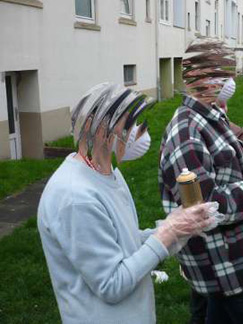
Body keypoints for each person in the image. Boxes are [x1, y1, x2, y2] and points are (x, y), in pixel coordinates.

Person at [38, 83, 220, 324]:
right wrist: (167, 233)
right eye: (127, 123)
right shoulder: (75, 198)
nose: (135, 132)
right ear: (97, 127)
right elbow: (111, 285)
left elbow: (124, 244)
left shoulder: (107, 174)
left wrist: (181, 229)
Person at [159, 38, 243, 324]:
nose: (232, 81)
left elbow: (221, 175)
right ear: (200, 77)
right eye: (224, 74)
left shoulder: (209, 117)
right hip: (228, 272)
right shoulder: (187, 133)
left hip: (235, 266)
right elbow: (204, 208)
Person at [187, 77, 243, 324]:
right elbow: (204, 203)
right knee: (206, 298)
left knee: (216, 303)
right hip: (218, 248)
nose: (221, 111)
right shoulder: (190, 135)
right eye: (217, 105)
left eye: (223, 106)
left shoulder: (238, 133)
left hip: (231, 247)